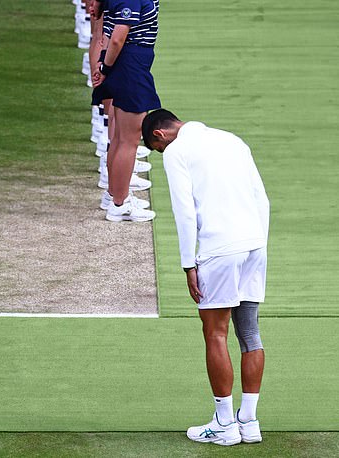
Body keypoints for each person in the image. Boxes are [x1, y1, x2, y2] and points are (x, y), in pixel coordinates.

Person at [142, 109, 270, 446]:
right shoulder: (233, 140)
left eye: (157, 150)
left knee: (215, 333)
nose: (161, 154)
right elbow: (263, 200)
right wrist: (257, 246)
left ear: (160, 135)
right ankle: (249, 421)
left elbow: (184, 212)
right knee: (250, 333)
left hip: (220, 250)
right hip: (255, 245)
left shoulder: (176, 151)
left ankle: (225, 425)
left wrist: (189, 265)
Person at [91, 0, 160, 222]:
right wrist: (105, 68)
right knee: (128, 141)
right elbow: (117, 38)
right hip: (130, 67)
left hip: (128, 65)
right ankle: (120, 204)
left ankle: (114, 195)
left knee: (120, 138)